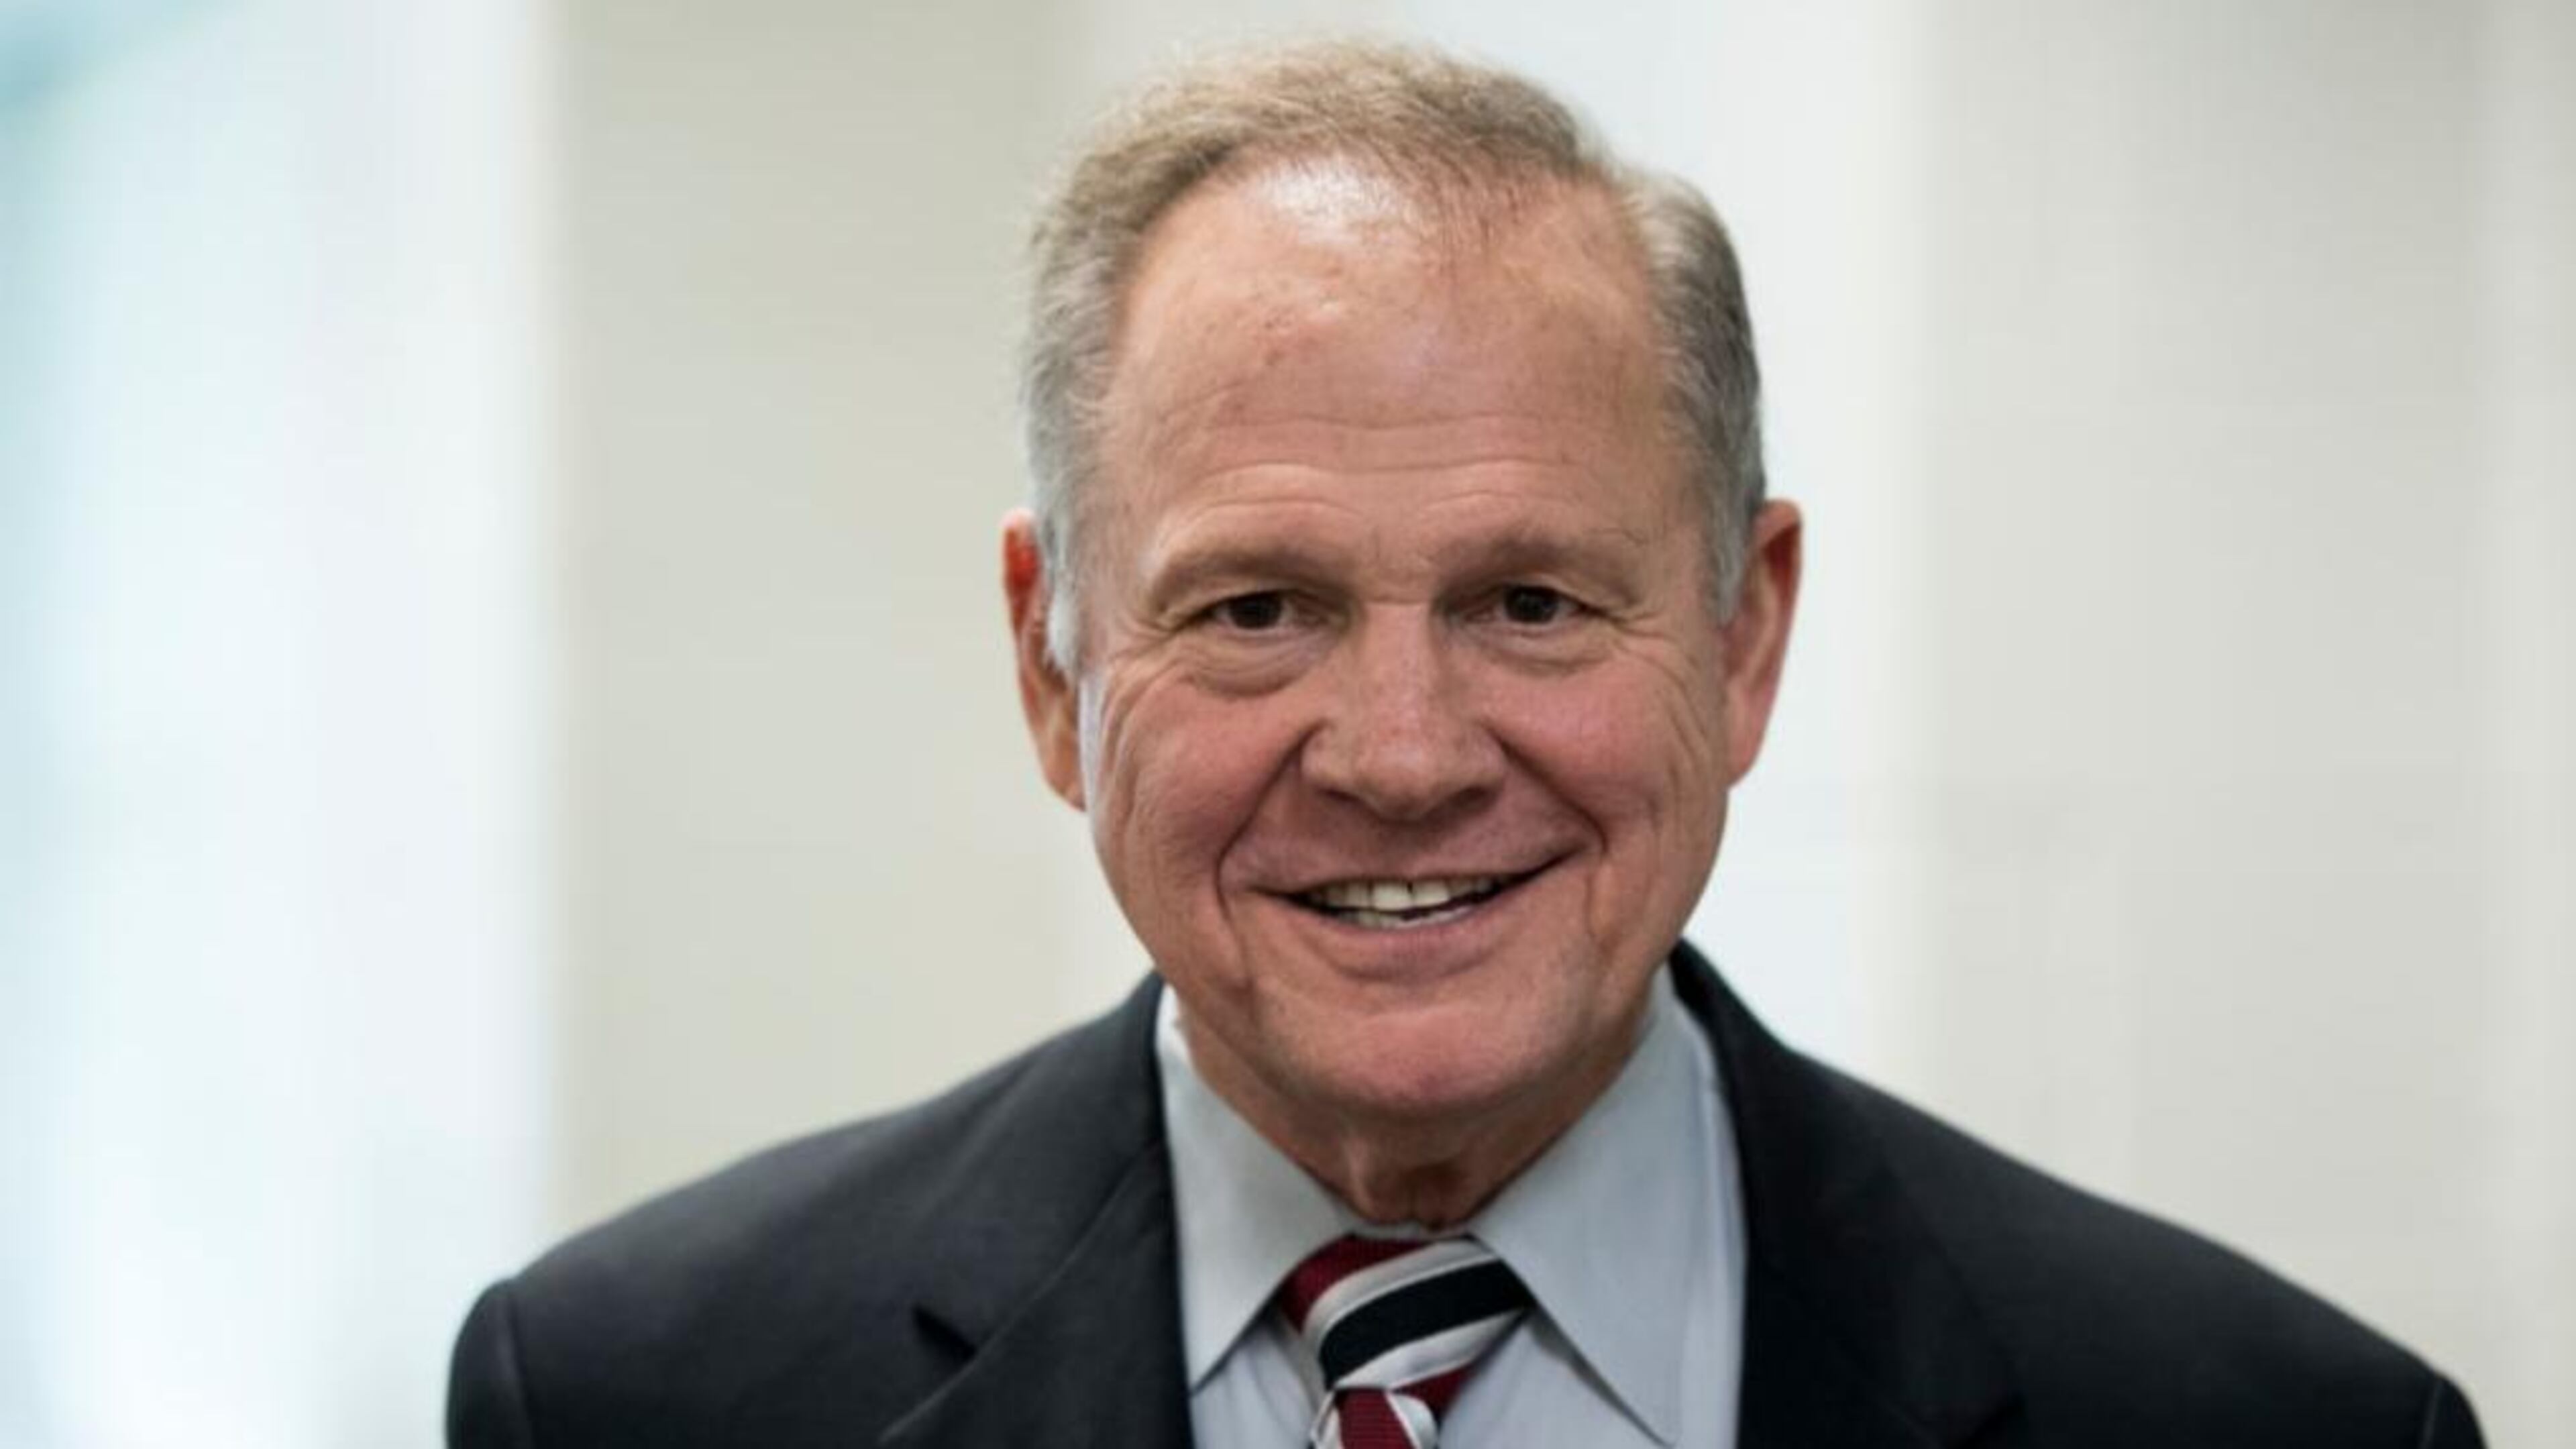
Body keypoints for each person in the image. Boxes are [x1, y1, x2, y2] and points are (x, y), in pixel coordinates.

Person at [447, 40, 2482, 1448]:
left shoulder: (2272, 1419)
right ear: (1055, 668)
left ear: (1743, 634)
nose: (1404, 756)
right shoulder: (636, 1392)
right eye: (1257, 609)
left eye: (1532, 602)